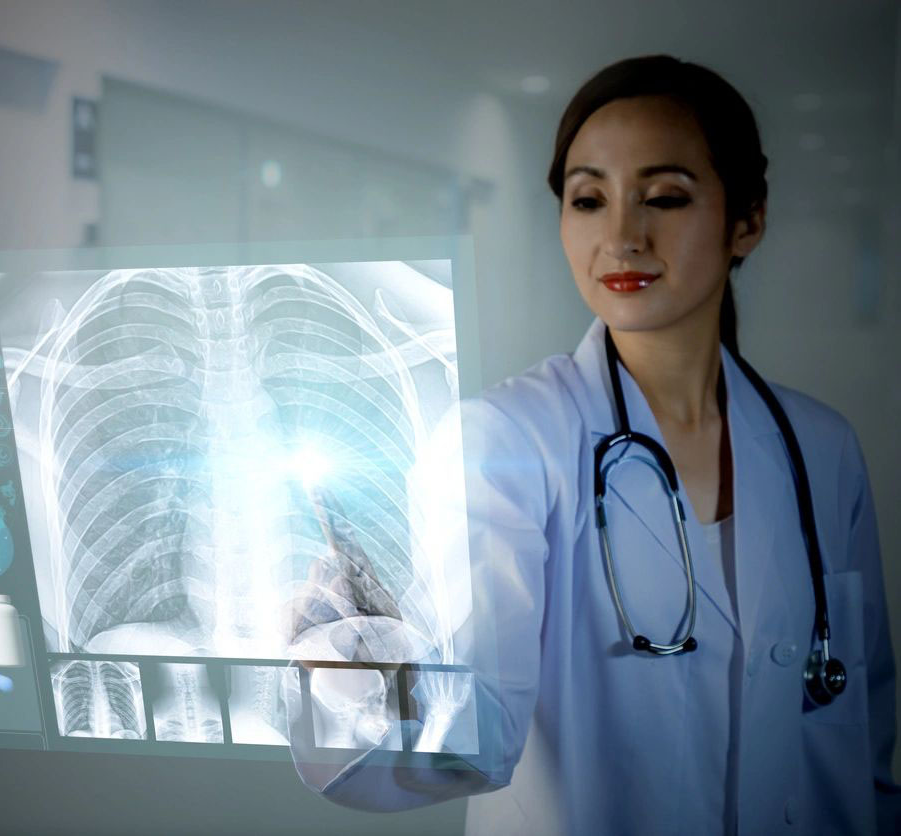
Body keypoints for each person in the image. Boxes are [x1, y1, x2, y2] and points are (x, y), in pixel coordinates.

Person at [285, 55, 899, 834]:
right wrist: (345, 674)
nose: (621, 236)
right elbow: (469, 739)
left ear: (747, 218)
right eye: (588, 199)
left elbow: (862, 729)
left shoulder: (820, 448)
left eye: (665, 197)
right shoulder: (508, 442)